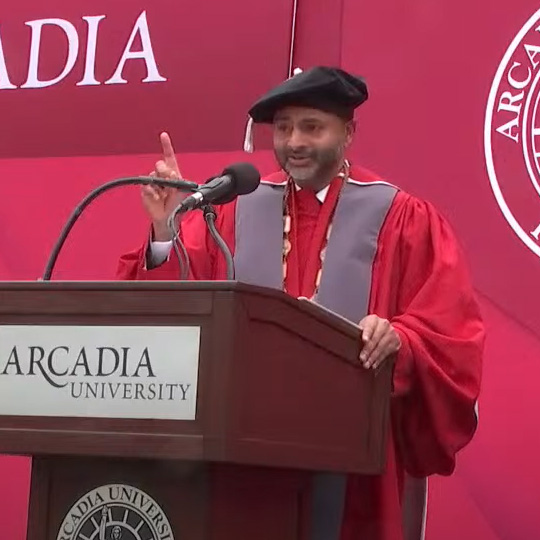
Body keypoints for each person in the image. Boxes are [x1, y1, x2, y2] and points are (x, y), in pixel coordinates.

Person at [117, 66, 484, 540]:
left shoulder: (400, 217)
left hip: (355, 471)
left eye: (312, 127)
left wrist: (402, 339)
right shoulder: (234, 209)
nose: (294, 141)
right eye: (285, 127)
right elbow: (176, 316)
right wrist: (167, 230)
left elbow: (449, 331)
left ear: (348, 132)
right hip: (244, 458)